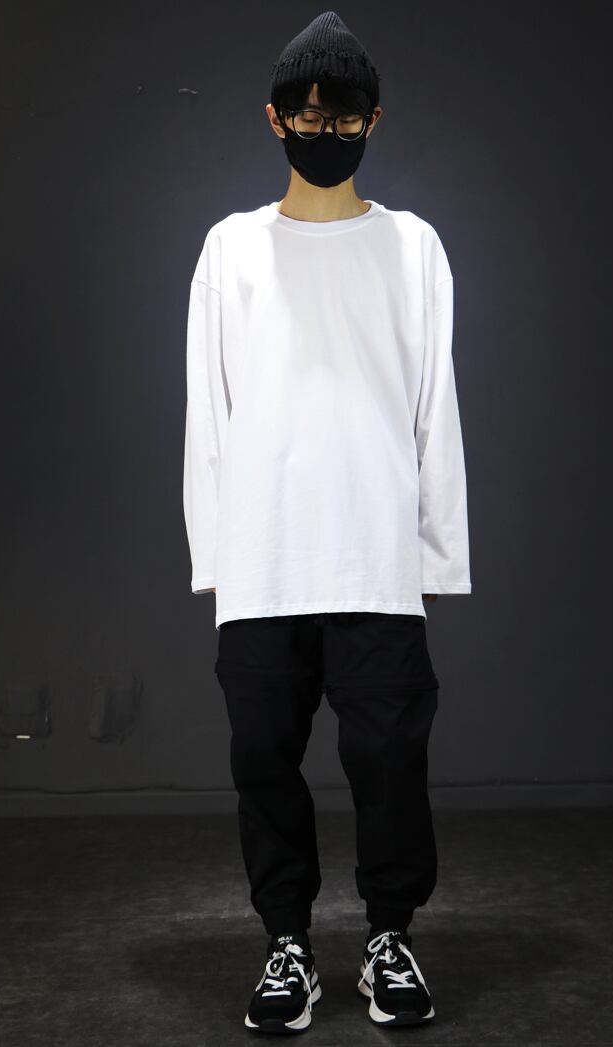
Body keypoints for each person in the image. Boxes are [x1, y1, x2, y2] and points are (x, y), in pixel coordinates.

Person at [181, 9, 471, 1035]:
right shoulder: (230, 249)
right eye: (305, 113)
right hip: (262, 559)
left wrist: (433, 554)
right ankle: (287, 946)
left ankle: (389, 937)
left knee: (391, 764)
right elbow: (207, 412)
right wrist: (217, 556)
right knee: (263, 759)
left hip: (374, 557)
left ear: (371, 120)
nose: (323, 128)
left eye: (342, 114)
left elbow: (434, 407)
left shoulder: (412, 246)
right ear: (274, 119)